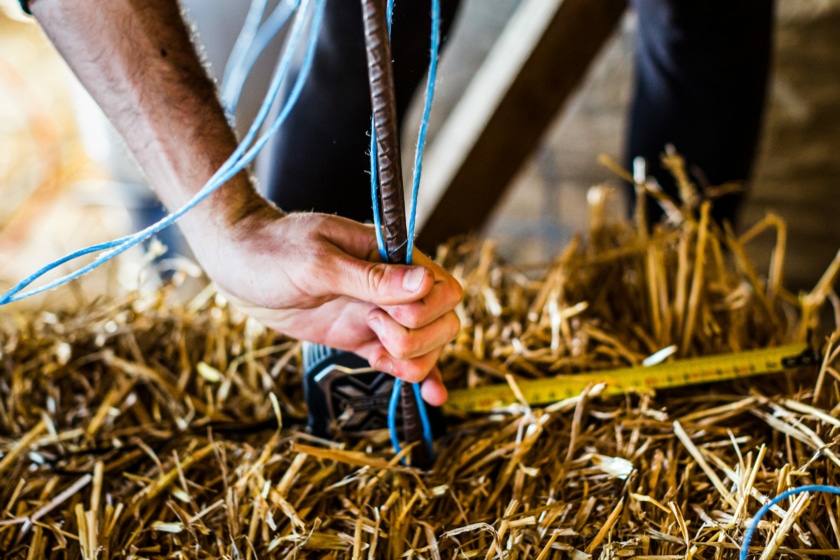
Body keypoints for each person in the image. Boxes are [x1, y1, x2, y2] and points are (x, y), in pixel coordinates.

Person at [22, 0, 464, 407]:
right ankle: (185, 295)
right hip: (172, 101)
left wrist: (233, 227)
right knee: (174, 279)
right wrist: (225, 219)